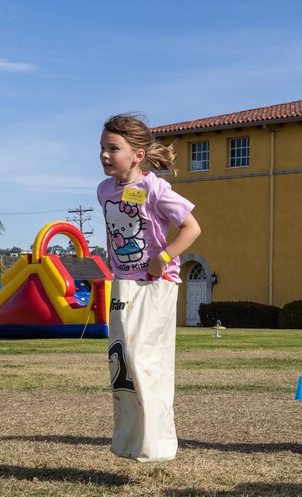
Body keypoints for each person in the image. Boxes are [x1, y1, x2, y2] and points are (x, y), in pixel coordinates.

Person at [99, 114, 201, 462]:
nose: (105, 155)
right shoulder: (104, 191)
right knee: (123, 362)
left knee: (145, 361)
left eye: (114, 148)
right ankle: (131, 440)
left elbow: (191, 228)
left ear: (138, 154)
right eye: (102, 148)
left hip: (156, 286)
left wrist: (165, 256)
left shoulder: (154, 188)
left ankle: (157, 445)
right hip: (124, 286)